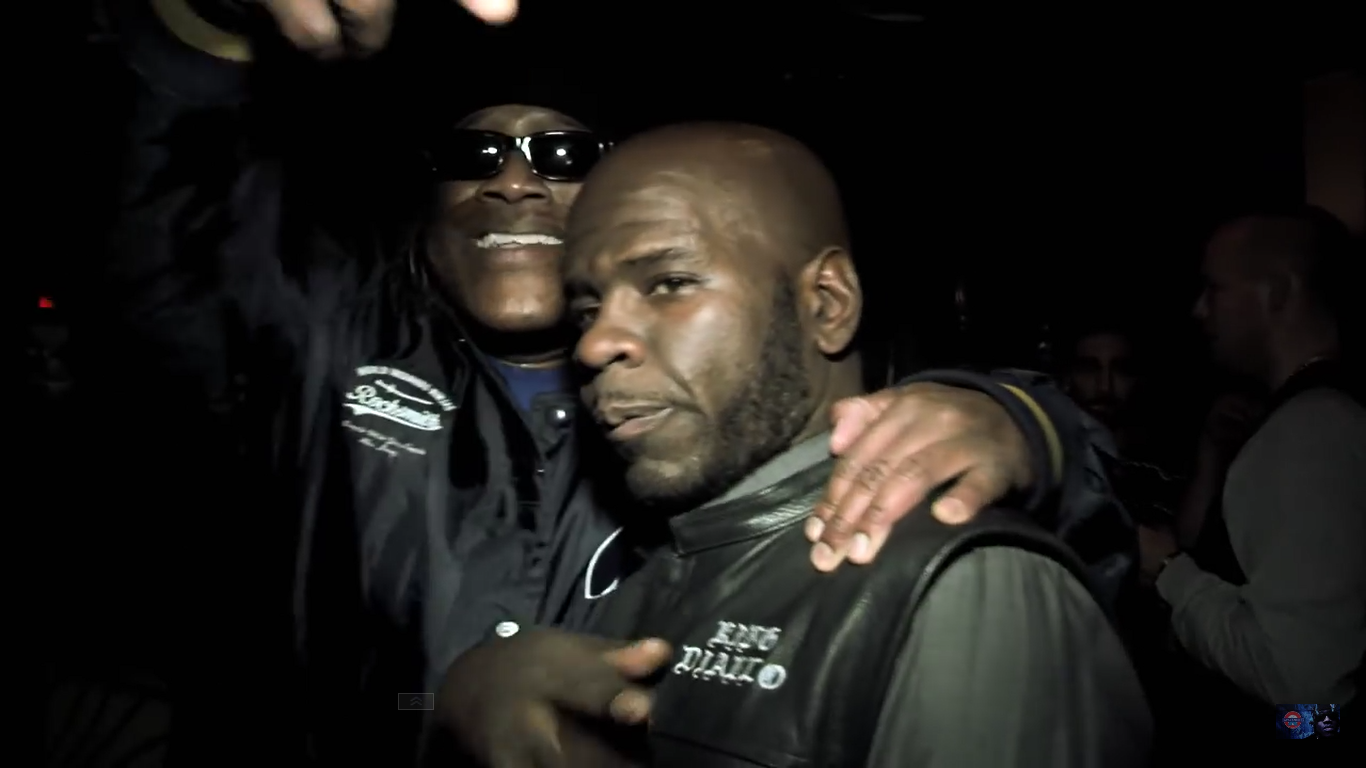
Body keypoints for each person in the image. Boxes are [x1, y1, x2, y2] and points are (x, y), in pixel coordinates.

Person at [100, 1, 1131, 764]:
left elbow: (1025, 517)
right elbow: (176, 234)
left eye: (561, 151)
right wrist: (202, 28)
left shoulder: (714, 420)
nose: (514, 178)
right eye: (474, 151)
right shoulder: (320, 356)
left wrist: (1026, 426)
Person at [436, 123, 1153, 767]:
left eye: (669, 283)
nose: (596, 344)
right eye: (587, 309)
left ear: (827, 305)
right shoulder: (651, 574)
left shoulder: (961, 585)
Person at [1137, 207, 1366, 743]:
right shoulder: (1317, 413)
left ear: (1278, 293)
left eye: (1214, 289)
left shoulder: (1313, 430)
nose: (1199, 310)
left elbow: (1309, 698)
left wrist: (1169, 571)